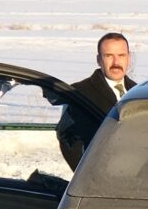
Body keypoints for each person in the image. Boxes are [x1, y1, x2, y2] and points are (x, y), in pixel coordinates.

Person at [57, 32, 137, 170]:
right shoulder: (79, 92)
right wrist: (86, 175)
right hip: (97, 177)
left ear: (128, 58)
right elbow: (68, 139)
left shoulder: (139, 92)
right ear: (99, 59)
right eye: (109, 56)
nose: (116, 63)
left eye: (121, 55)